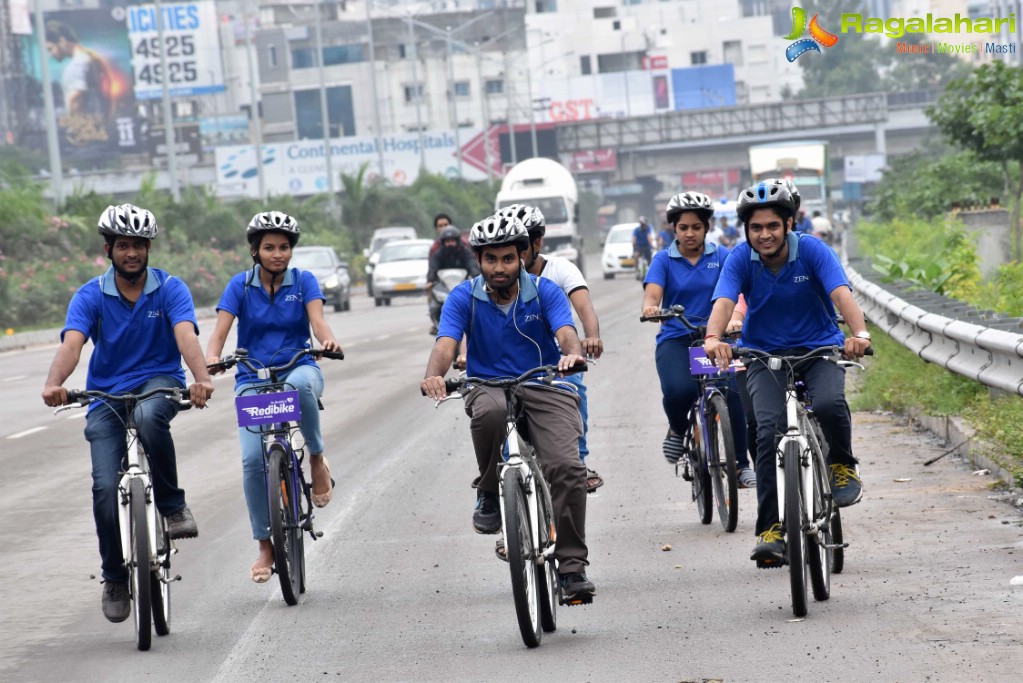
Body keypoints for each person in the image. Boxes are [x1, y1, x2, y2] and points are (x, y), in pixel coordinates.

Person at [41, 203, 214, 623]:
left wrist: (200, 377)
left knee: (154, 416)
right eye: (123, 245)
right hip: (105, 394)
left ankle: (173, 507)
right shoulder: (90, 295)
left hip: (159, 381)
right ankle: (115, 576)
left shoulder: (171, 289)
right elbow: (73, 344)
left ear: (149, 248)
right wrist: (54, 383)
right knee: (103, 488)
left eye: (139, 244)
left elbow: (185, 334)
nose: (132, 252)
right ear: (108, 249)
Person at [420, 214, 596, 604]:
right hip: (489, 386)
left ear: (522, 256)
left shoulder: (546, 291)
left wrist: (571, 355)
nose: (499, 268)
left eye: (507, 259)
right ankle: (488, 489)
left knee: (567, 468)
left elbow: (566, 333)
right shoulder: (463, 296)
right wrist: (434, 375)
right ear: (478, 261)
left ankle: (572, 569)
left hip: (545, 383)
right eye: (490, 259)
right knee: (489, 414)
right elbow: (447, 342)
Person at [702, 181, 871, 567]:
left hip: (819, 350)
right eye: (756, 227)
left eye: (773, 226)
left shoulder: (812, 250)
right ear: (746, 230)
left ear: (789, 224)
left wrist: (858, 334)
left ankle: (842, 464)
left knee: (829, 403)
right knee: (766, 430)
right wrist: (713, 337)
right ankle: (770, 529)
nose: (765, 235)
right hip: (763, 355)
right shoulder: (740, 259)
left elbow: (842, 296)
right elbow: (725, 301)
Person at [204, 211, 343, 584]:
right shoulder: (239, 285)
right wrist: (213, 358)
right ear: (255, 250)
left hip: (299, 366)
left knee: (300, 387)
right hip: (252, 377)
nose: (277, 254)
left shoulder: (304, 281)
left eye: (284, 247)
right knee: (252, 461)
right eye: (269, 247)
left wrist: (325, 341)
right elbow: (219, 332)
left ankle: (315, 458)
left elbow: (318, 321)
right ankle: (265, 544)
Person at [640, 191, 756, 488]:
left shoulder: (723, 257)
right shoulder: (663, 260)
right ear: (674, 229)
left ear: (706, 227)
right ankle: (678, 430)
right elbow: (651, 296)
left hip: (717, 338)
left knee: (733, 395)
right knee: (679, 391)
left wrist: (735, 317)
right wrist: (652, 309)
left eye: (696, 227)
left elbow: (739, 294)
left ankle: (741, 464)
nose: (690, 233)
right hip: (677, 339)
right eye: (683, 228)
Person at [498, 203, 605, 493]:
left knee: (574, 389)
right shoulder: (493, 281)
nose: (511, 259)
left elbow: (584, 307)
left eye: (520, 248)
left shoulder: (559, 271)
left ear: (536, 243)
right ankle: (496, 504)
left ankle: (579, 462)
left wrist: (591, 336)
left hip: (556, 364)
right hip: (511, 364)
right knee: (495, 418)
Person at [44, 20, 112, 120]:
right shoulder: (91, 58)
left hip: (86, 130)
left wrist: (75, 129)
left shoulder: (76, 66)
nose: (51, 55)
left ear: (62, 41)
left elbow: (75, 101)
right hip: (100, 124)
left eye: (50, 49)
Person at [426, 225, 479, 335]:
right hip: (444, 286)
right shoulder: (438, 254)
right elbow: (433, 268)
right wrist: (430, 280)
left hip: (462, 284)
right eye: (447, 241)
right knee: (431, 294)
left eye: (452, 241)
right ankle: (435, 322)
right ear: (443, 242)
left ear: (457, 241)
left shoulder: (465, 252)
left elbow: (472, 265)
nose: (450, 244)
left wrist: (476, 277)